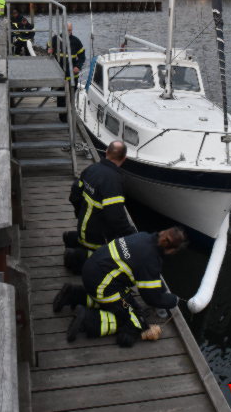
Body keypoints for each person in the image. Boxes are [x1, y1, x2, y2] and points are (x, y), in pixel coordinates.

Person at [53, 227, 188, 347]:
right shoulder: (150, 260)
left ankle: (73, 294)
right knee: (137, 320)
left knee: (121, 302)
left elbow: (153, 277)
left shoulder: (143, 236)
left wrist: (162, 290)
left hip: (90, 270)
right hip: (102, 286)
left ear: (163, 232)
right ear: (171, 250)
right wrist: (173, 300)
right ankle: (87, 319)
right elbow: (151, 298)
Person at [63, 140, 136, 274]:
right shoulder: (113, 181)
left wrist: (80, 213)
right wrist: (131, 234)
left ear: (107, 152)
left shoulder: (91, 169)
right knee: (114, 259)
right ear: (124, 159)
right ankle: (75, 258)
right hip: (98, 238)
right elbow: (116, 217)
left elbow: (74, 194)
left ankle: (72, 239)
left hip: (83, 227)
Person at [47, 22, 85, 122]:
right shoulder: (56, 39)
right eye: (68, 30)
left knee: (71, 97)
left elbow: (82, 57)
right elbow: (48, 46)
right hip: (59, 75)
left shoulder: (76, 41)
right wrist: (49, 50)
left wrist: (78, 66)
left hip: (71, 76)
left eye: (71, 30)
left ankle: (70, 114)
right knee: (61, 98)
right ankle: (63, 119)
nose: (70, 32)